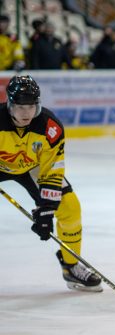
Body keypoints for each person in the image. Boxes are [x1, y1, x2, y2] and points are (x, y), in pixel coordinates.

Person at [0, 75, 102, 292]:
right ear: (10, 104)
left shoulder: (49, 127)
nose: (26, 113)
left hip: (32, 167)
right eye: (20, 107)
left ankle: (71, 266)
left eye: (31, 106)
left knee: (70, 207)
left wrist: (47, 209)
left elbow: (52, 170)